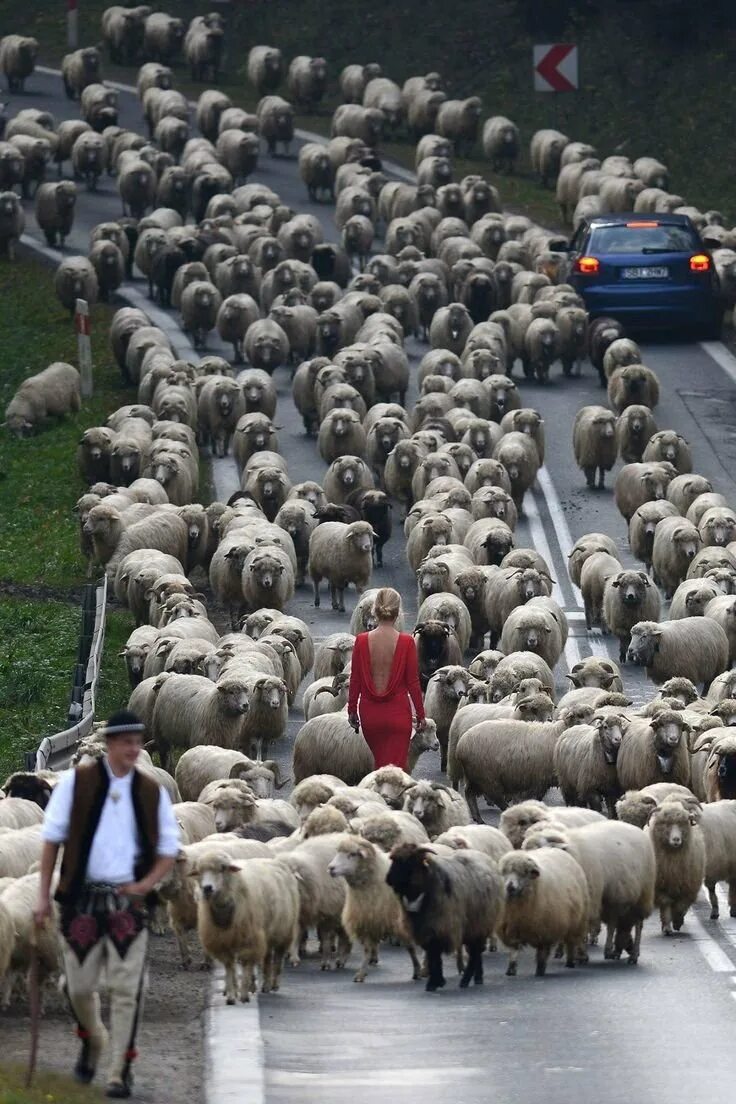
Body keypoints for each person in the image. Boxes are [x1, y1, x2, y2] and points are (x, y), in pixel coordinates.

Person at [34, 710, 180, 1100]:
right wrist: (42, 895)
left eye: (138, 741)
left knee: (126, 987)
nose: (135, 748)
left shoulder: (151, 791)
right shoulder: (76, 784)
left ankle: (120, 1069)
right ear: (111, 744)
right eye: (127, 742)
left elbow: (168, 849)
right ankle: (93, 1038)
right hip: (80, 899)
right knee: (78, 985)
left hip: (127, 903)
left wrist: (146, 884)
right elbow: (51, 840)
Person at [347, 586, 427, 769]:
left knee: (379, 769)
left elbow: (355, 680)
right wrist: (421, 715)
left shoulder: (361, 641)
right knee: (395, 773)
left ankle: (378, 797)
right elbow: (413, 683)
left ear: (375, 611)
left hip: (371, 717)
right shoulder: (407, 642)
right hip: (398, 717)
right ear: (398, 613)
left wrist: (352, 710)